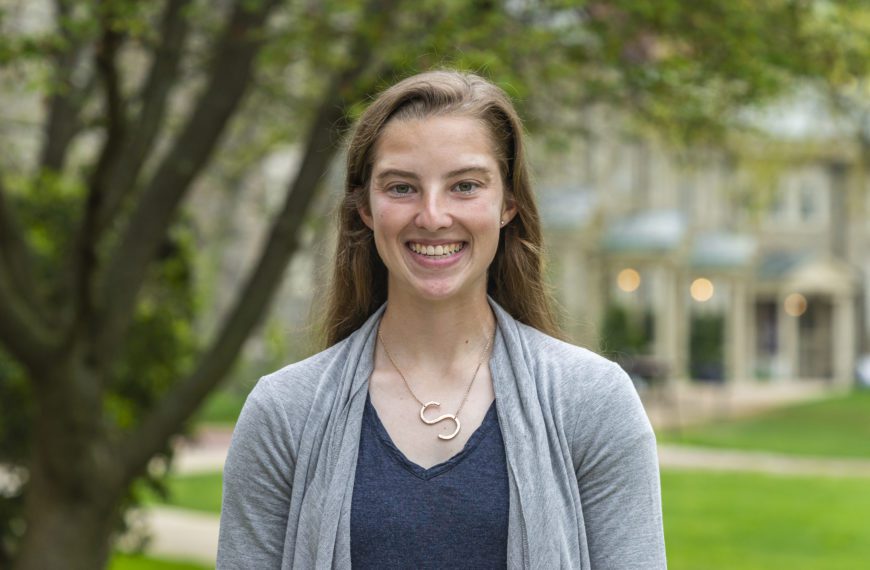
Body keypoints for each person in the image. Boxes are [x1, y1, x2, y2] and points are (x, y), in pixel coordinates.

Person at [217, 70, 666, 569]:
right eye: (402, 187)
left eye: (465, 186)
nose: (432, 216)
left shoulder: (592, 403)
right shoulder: (284, 415)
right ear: (365, 207)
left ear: (508, 204)